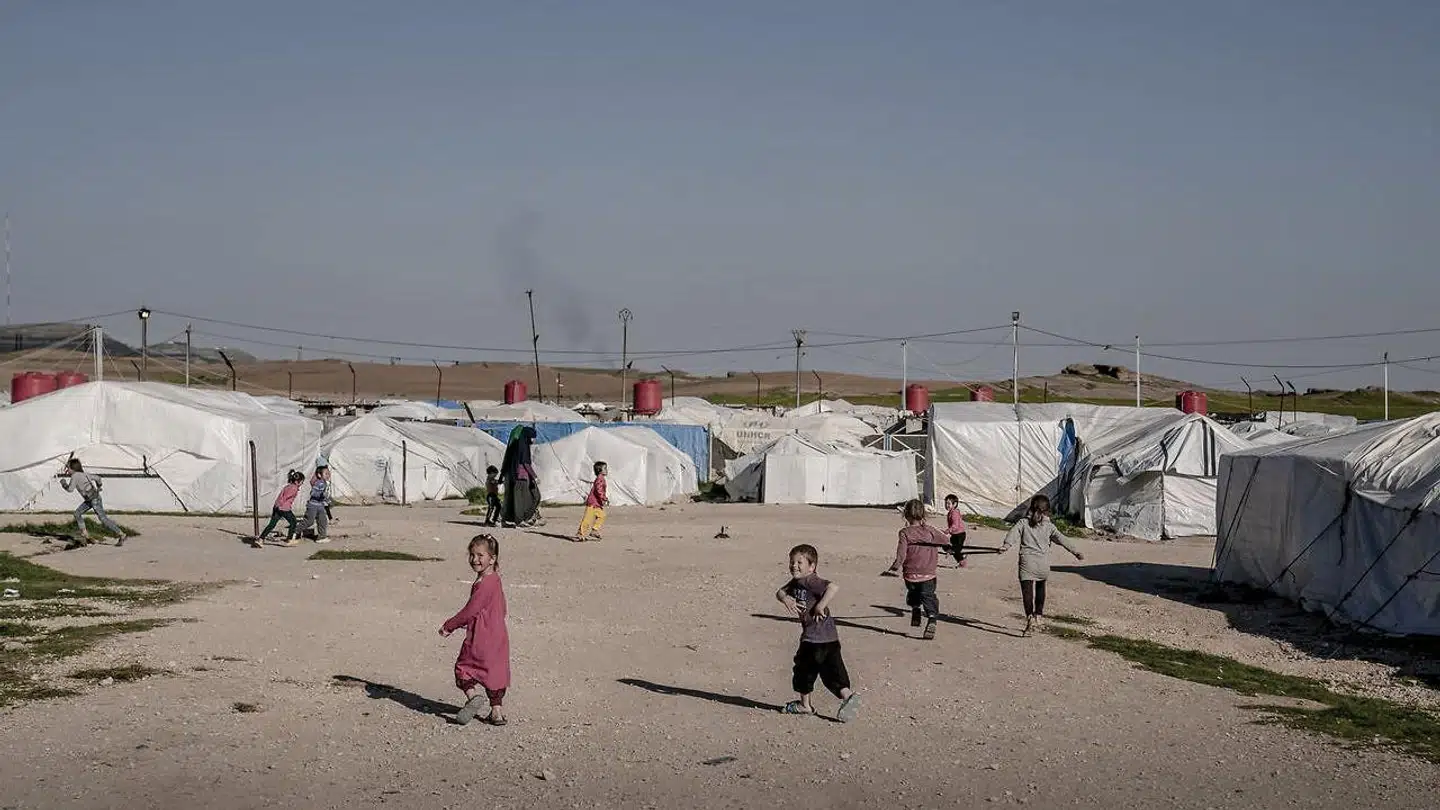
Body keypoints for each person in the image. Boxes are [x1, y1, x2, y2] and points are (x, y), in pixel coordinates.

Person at [776, 544, 861, 722]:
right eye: (792, 562)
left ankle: (804, 706)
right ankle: (848, 696)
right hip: (830, 637)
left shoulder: (810, 580)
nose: (794, 566)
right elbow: (780, 592)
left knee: (803, 670)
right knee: (831, 672)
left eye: (800, 562)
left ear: (812, 566)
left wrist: (820, 605)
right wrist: (786, 599)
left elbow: (833, 587)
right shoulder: (796, 582)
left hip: (814, 639)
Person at [439, 534, 510, 726]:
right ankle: (497, 712)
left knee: (463, 668)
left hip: (480, 636)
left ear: (492, 558)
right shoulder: (495, 579)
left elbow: (471, 610)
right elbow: (503, 606)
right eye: (472, 555)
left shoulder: (484, 584)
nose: (475, 560)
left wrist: (449, 626)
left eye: (480, 555)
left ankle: (473, 697)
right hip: (498, 635)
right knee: (495, 673)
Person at [999, 494, 1085, 636]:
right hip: (1043, 565)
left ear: (1031, 507)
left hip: (1027, 563)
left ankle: (1030, 618)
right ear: (1047, 510)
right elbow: (1062, 539)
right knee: (1040, 588)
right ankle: (1039, 617)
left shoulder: (1023, 523)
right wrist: (1076, 552)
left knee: (1027, 592)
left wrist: (1005, 546)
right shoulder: (1049, 526)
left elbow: (1012, 534)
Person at [882, 499, 951, 640]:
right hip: (928, 573)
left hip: (910, 573)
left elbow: (901, 554)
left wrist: (894, 568)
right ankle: (931, 618)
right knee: (928, 596)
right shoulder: (930, 531)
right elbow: (945, 541)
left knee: (913, 592)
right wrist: (948, 548)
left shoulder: (904, 533)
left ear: (905, 515)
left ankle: (915, 609)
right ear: (923, 514)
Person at [58, 458, 126, 546]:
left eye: (68, 468)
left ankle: (121, 534)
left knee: (103, 519)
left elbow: (70, 489)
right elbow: (98, 478)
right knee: (77, 513)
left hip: (93, 500)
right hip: (93, 498)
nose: (67, 470)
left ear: (73, 468)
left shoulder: (75, 476)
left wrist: (63, 483)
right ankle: (85, 535)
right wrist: (99, 486)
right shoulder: (84, 474)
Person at [500, 426, 541, 527]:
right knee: (522, 500)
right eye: (533, 437)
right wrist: (534, 477)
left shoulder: (519, 446)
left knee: (533, 497)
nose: (534, 440)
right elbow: (525, 463)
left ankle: (525, 517)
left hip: (523, 477)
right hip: (521, 477)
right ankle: (521, 519)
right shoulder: (522, 447)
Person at [252, 470, 304, 548]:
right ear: (297, 482)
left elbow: (281, 496)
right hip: (284, 508)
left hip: (277, 507)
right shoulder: (294, 488)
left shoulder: (288, 486)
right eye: (301, 482)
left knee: (272, 524)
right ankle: (289, 539)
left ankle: (261, 539)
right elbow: (285, 497)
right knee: (293, 522)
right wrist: (281, 506)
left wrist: (277, 506)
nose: (302, 483)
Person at [293, 465, 333, 543]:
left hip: (320, 505)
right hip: (313, 506)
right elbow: (313, 493)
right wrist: (321, 494)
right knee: (309, 521)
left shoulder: (325, 483)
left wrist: (327, 500)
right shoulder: (319, 483)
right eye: (326, 473)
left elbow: (324, 496)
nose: (328, 475)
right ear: (319, 475)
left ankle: (321, 537)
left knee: (323, 520)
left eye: (329, 473)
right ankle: (294, 531)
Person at [574, 461, 608, 542]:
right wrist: (603, 498)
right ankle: (580, 534)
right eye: (605, 468)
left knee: (602, 516)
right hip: (593, 503)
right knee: (587, 519)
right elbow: (598, 489)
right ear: (599, 470)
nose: (607, 470)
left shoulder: (601, 478)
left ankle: (594, 530)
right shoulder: (600, 478)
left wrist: (602, 499)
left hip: (597, 504)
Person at [945, 494, 968, 567]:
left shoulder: (954, 513)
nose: (946, 505)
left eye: (948, 503)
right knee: (952, 548)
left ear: (954, 504)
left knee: (956, 549)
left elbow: (955, 525)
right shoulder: (950, 513)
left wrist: (949, 530)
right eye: (946, 503)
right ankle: (961, 560)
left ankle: (961, 561)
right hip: (954, 535)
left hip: (960, 535)